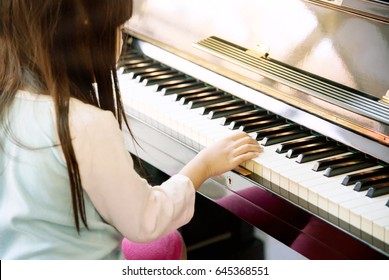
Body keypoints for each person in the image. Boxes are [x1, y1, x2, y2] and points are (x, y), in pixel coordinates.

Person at [0, 0, 263, 260]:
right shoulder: (85, 125)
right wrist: (204, 165)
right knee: (166, 242)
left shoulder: (7, 103)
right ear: (83, 33)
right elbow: (145, 221)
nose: (122, 39)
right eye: (119, 28)